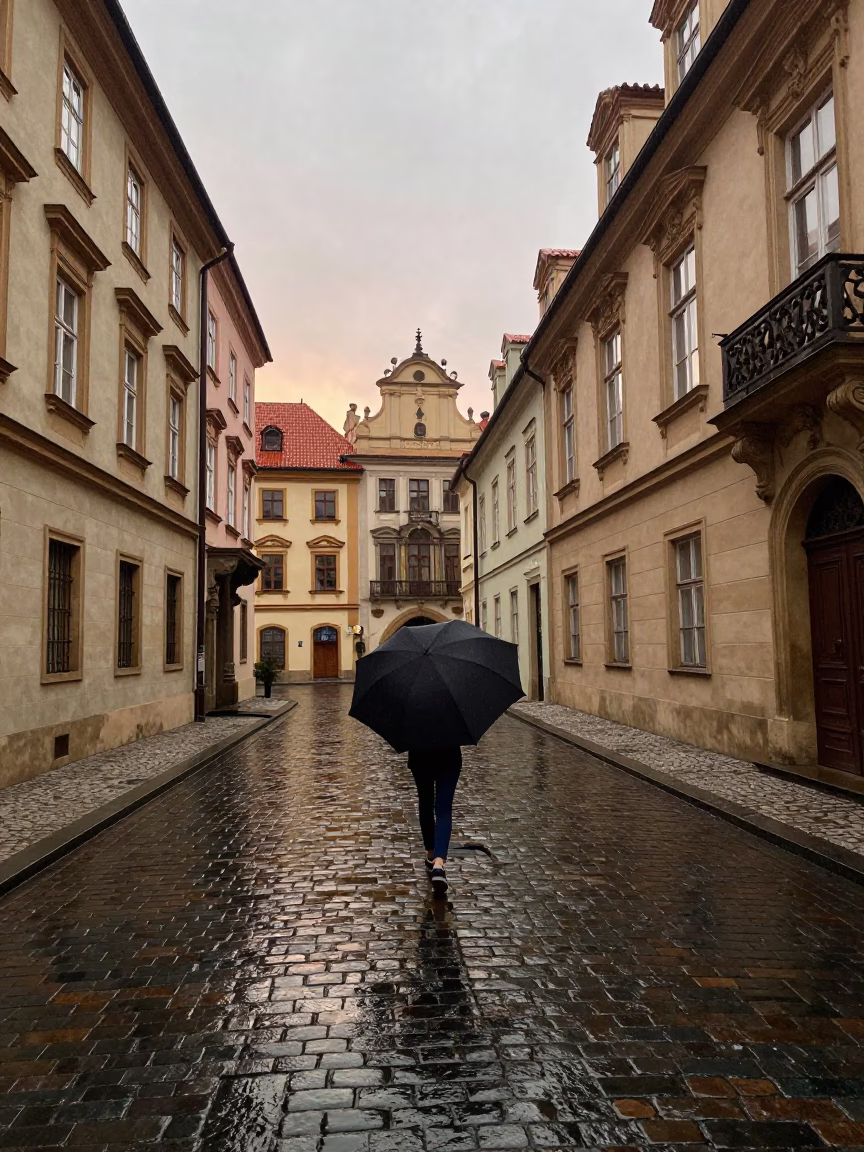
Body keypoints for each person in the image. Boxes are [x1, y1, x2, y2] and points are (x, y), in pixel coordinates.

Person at [407, 746, 462, 895]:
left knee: (426, 802)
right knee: (443, 809)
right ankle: (438, 863)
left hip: (420, 751)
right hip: (449, 752)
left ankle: (431, 853)